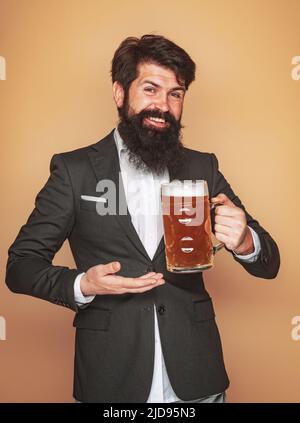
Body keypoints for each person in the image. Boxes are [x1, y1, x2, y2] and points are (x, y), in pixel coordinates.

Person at [5, 34, 280, 403]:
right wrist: (83, 284)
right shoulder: (75, 171)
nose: (163, 106)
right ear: (120, 93)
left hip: (196, 376)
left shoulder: (202, 166)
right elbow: (20, 267)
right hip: (110, 377)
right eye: (150, 89)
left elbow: (269, 263)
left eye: (175, 94)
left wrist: (246, 242)